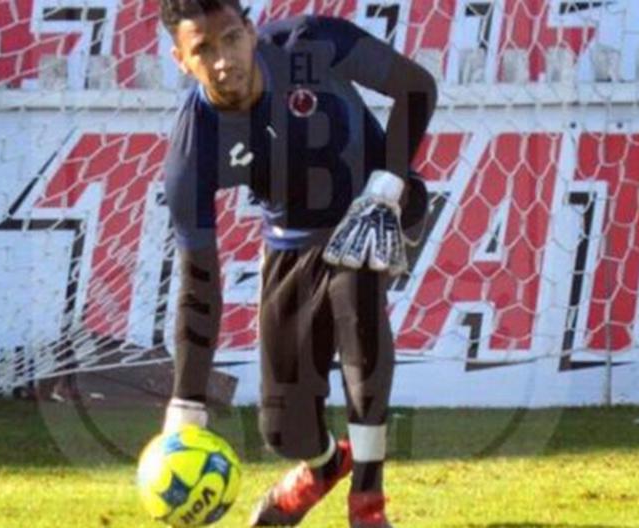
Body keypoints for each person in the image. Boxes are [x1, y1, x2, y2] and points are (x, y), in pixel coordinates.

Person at [157, 1, 436, 526]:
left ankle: (368, 500)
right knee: (284, 430)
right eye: (204, 50)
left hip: (376, 204)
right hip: (290, 241)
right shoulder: (194, 146)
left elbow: (417, 88)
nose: (223, 60)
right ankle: (326, 465)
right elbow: (199, 279)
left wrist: (391, 179)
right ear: (181, 59)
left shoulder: (311, 43)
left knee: (358, 306)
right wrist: (186, 404)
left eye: (231, 39)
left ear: (250, 30)